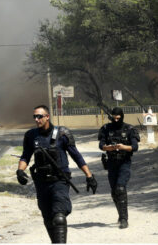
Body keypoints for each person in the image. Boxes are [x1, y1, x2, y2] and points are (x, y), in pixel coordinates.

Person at [16, 104, 98, 243]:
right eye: (34, 117)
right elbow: (25, 156)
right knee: (48, 218)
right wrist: (20, 171)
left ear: (47, 117)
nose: (36, 119)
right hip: (41, 182)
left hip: (60, 180)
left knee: (59, 217)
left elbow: (76, 156)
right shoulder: (31, 135)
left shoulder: (62, 133)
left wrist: (89, 175)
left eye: (39, 116)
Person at [98, 106, 140, 229]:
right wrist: (108, 147)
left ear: (122, 117)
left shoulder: (129, 129)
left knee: (120, 188)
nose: (116, 121)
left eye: (118, 118)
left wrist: (122, 147)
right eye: (114, 118)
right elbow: (101, 145)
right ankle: (120, 214)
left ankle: (124, 219)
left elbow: (135, 147)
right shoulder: (106, 128)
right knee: (114, 192)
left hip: (124, 162)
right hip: (111, 163)